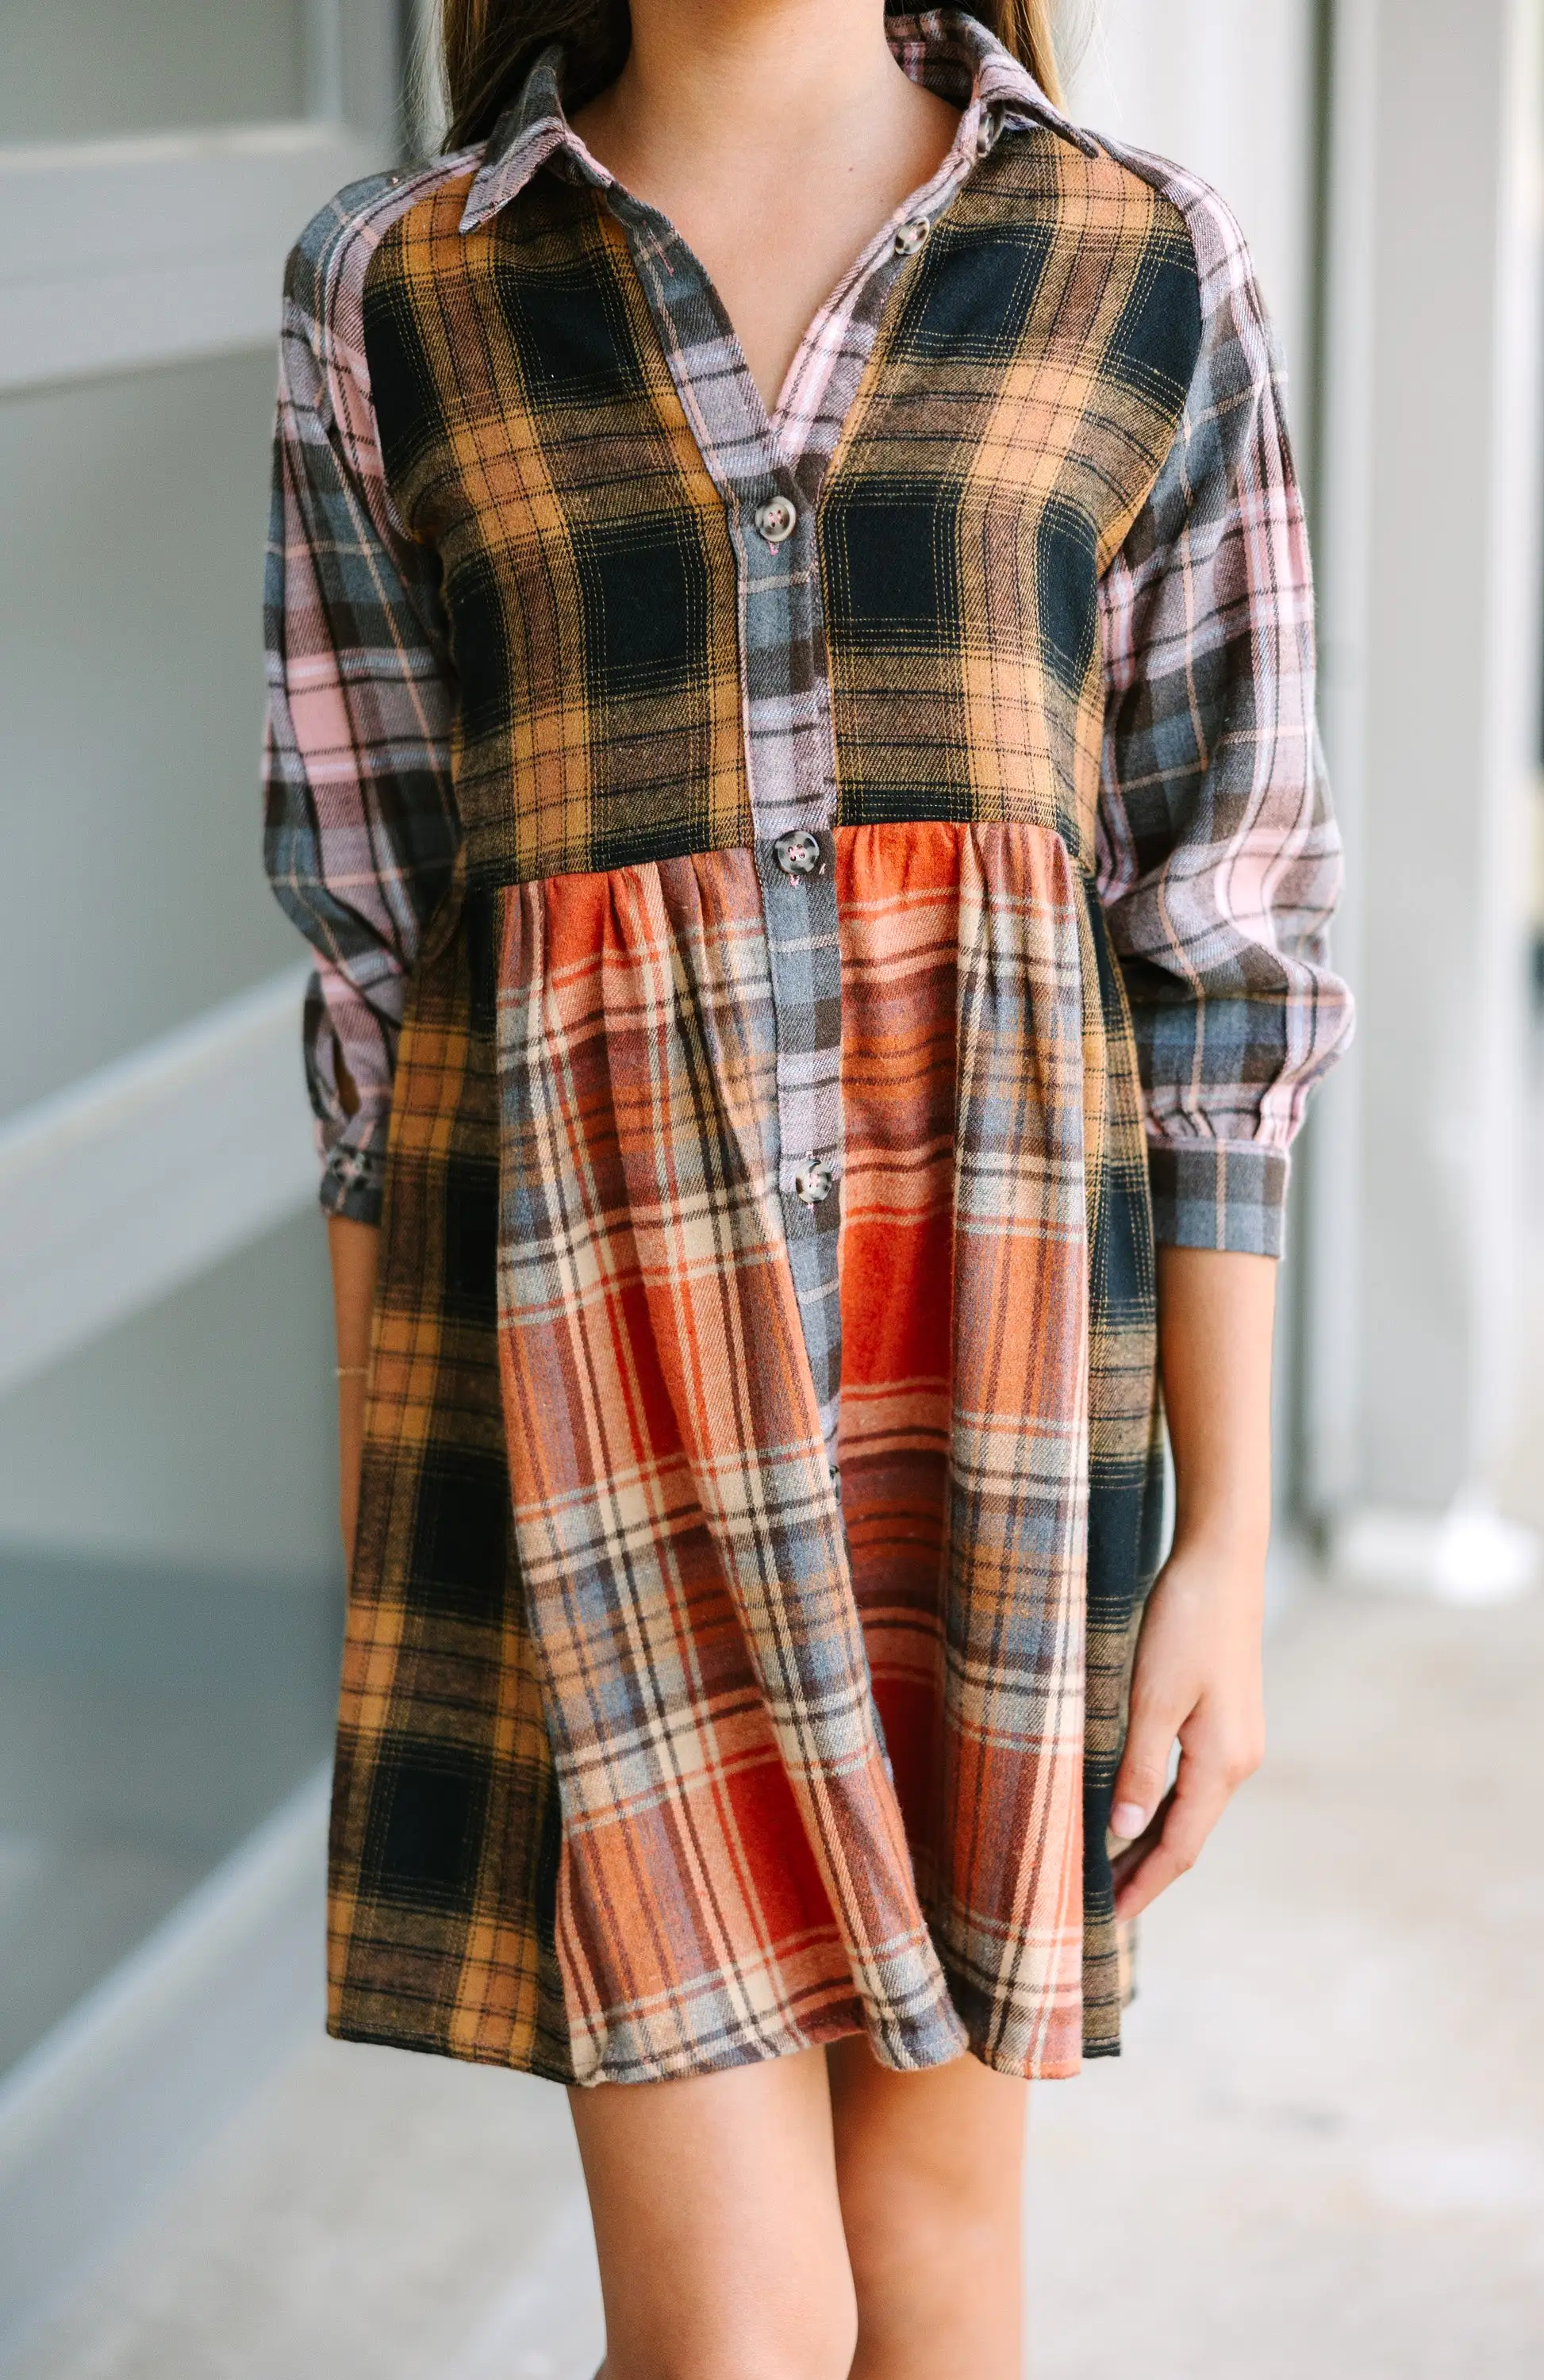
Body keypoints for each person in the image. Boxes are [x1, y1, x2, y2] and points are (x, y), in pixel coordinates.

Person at [263, 0, 1352, 2367]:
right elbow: (374, 953)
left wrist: (1225, 1543)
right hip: (592, 1394)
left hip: (989, 1399)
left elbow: (1228, 944)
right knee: (732, 2328)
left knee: (942, 2269)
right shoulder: (399, 286)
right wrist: (403, 1527)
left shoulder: (1136, 262)